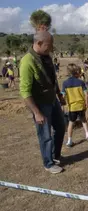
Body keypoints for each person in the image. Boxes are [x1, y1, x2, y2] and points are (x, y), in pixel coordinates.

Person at [19, 31, 66, 174]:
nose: (51, 48)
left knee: (61, 127)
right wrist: (37, 112)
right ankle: (48, 163)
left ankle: (54, 155)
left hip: (52, 100)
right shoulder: (27, 61)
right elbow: (25, 91)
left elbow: (52, 80)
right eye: (49, 45)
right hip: (41, 105)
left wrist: (59, 95)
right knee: (45, 135)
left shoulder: (46, 57)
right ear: (38, 43)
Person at [62, 63, 88, 147]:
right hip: (81, 105)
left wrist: (62, 105)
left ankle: (69, 140)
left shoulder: (65, 83)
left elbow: (63, 96)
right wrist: (87, 103)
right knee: (83, 120)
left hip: (72, 107)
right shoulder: (81, 82)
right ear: (76, 72)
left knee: (71, 123)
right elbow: (86, 94)